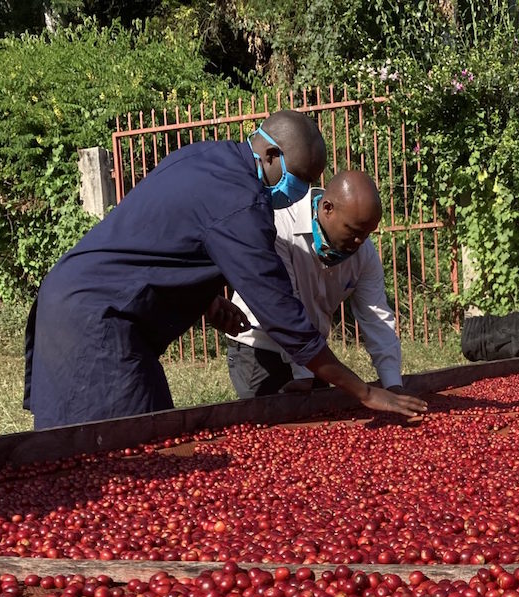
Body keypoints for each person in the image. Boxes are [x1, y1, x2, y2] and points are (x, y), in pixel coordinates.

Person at [23, 110, 426, 429]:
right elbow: (281, 311)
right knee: (126, 451)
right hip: (97, 319)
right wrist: (365, 393)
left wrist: (208, 301)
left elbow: (165, 242)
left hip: (76, 298)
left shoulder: (206, 156)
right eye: (301, 179)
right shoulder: (243, 206)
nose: (302, 192)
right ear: (271, 156)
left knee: (118, 447)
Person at [225, 170, 405, 398]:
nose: (360, 241)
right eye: (353, 231)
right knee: (269, 426)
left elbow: (377, 316)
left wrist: (392, 384)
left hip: (313, 352)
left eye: (367, 234)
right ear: (327, 208)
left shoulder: (364, 252)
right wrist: (303, 375)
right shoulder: (279, 226)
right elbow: (284, 307)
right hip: (260, 348)